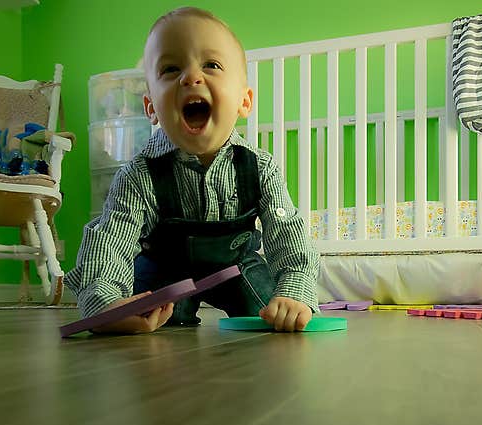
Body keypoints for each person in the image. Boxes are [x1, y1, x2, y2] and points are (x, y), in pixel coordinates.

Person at [65, 6, 320, 333]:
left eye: (211, 65)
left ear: (244, 101)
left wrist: (294, 291)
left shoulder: (261, 167)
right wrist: (105, 301)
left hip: (237, 266)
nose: (191, 77)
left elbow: (289, 235)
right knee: (145, 315)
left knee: (271, 313)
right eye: (170, 69)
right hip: (166, 271)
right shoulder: (139, 174)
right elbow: (110, 240)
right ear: (151, 108)